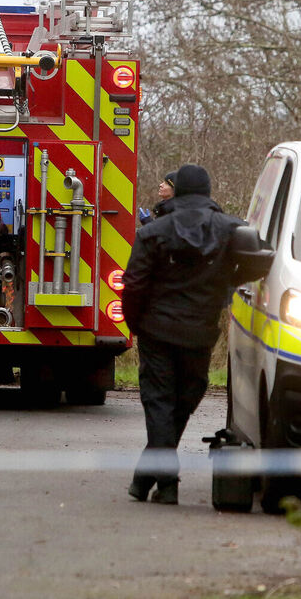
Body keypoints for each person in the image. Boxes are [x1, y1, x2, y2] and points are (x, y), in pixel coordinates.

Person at [121, 164, 246, 504]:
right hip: (200, 334)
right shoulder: (233, 230)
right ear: (207, 192)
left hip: (156, 333)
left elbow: (133, 285)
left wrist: (137, 326)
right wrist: (228, 288)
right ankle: (163, 481)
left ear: (178, 190)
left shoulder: (152, 233)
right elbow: (260, 259)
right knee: (181, 402)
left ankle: (154, 478)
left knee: (162, 404)